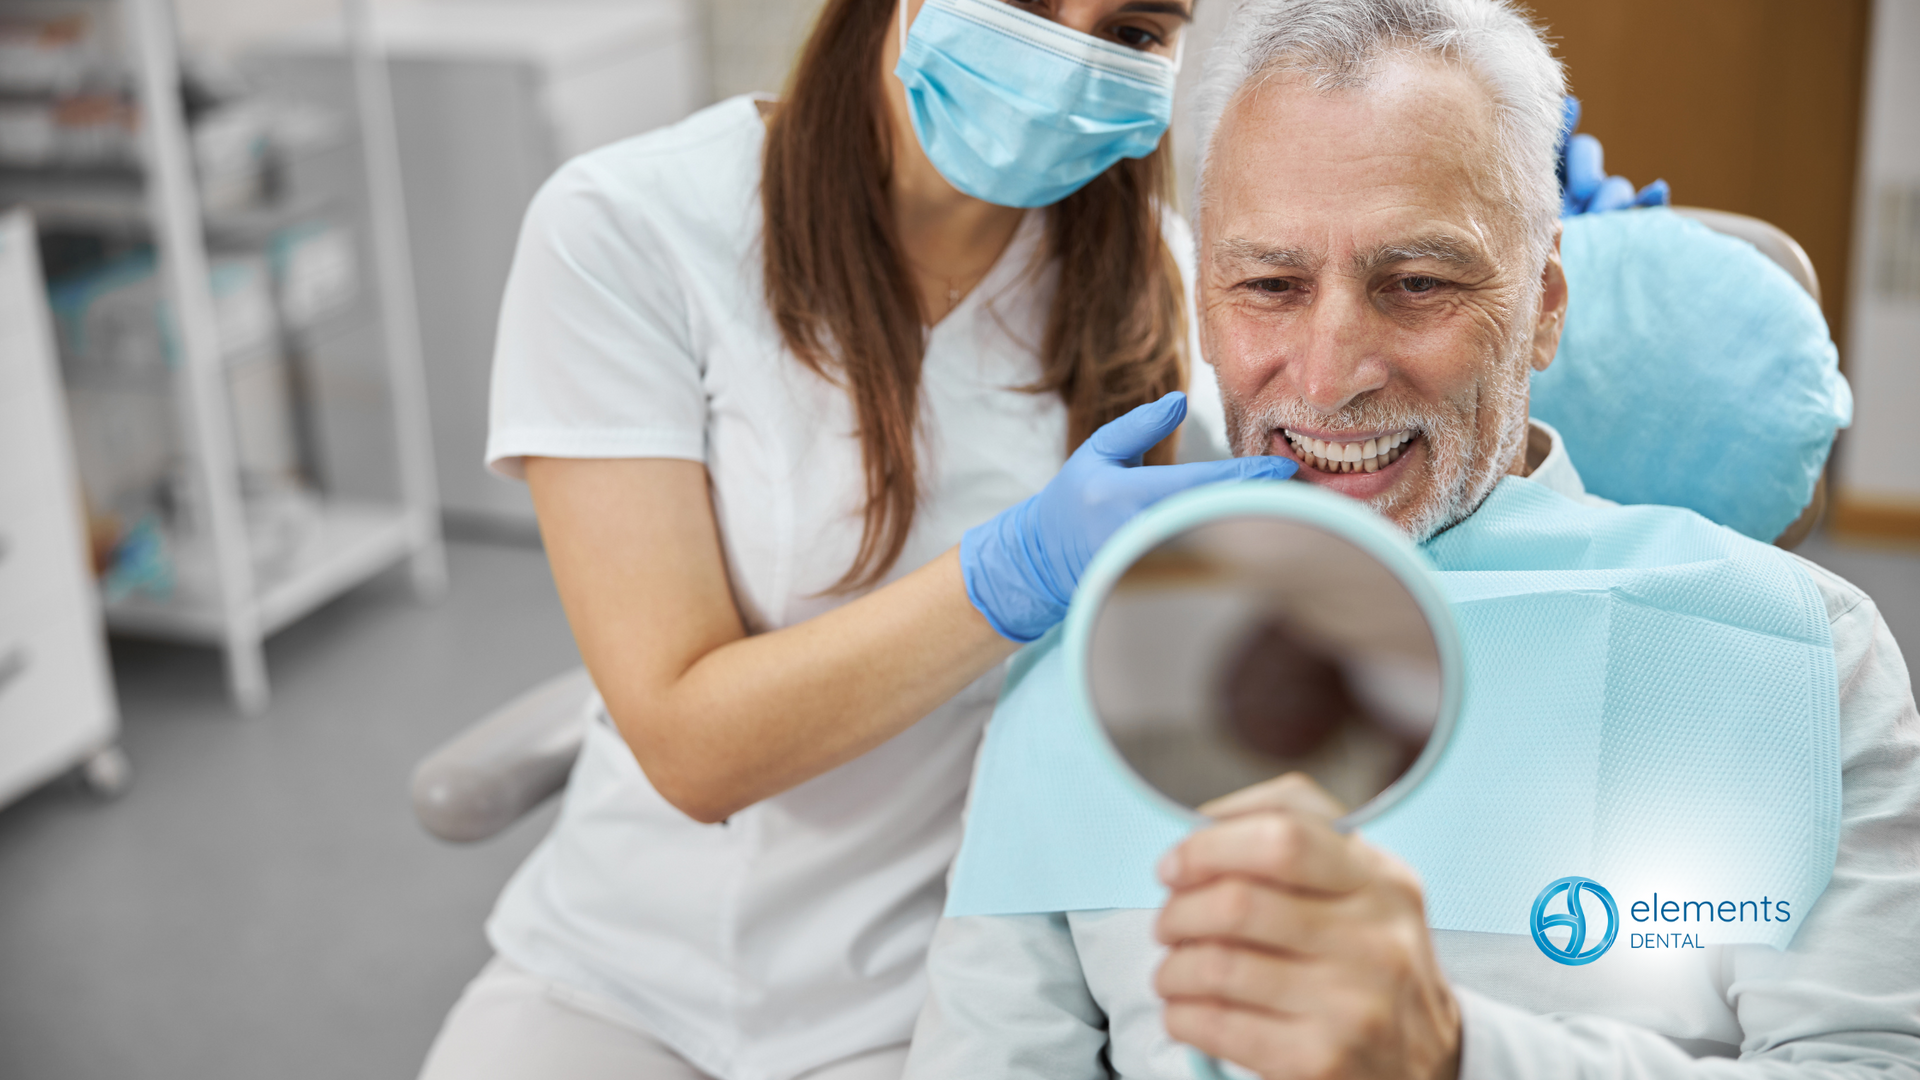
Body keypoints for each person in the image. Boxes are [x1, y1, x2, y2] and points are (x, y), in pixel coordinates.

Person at [901, 1, 1920, 1078]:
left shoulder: (1790, 656)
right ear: (1205, 309)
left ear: (1542, 307)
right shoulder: (1085, 672)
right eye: (1271, 286)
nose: (1332, 373)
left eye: (1418, 283)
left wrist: (1452, 1052)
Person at [413, 1, 1312, 1078]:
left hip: (941, 1004)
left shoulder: (1164, 292)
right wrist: (1008, 577)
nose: (1069, 56)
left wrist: (1548, 286)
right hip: (624, 976)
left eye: (1131, 32)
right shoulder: (632, 226)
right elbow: (691, 750)